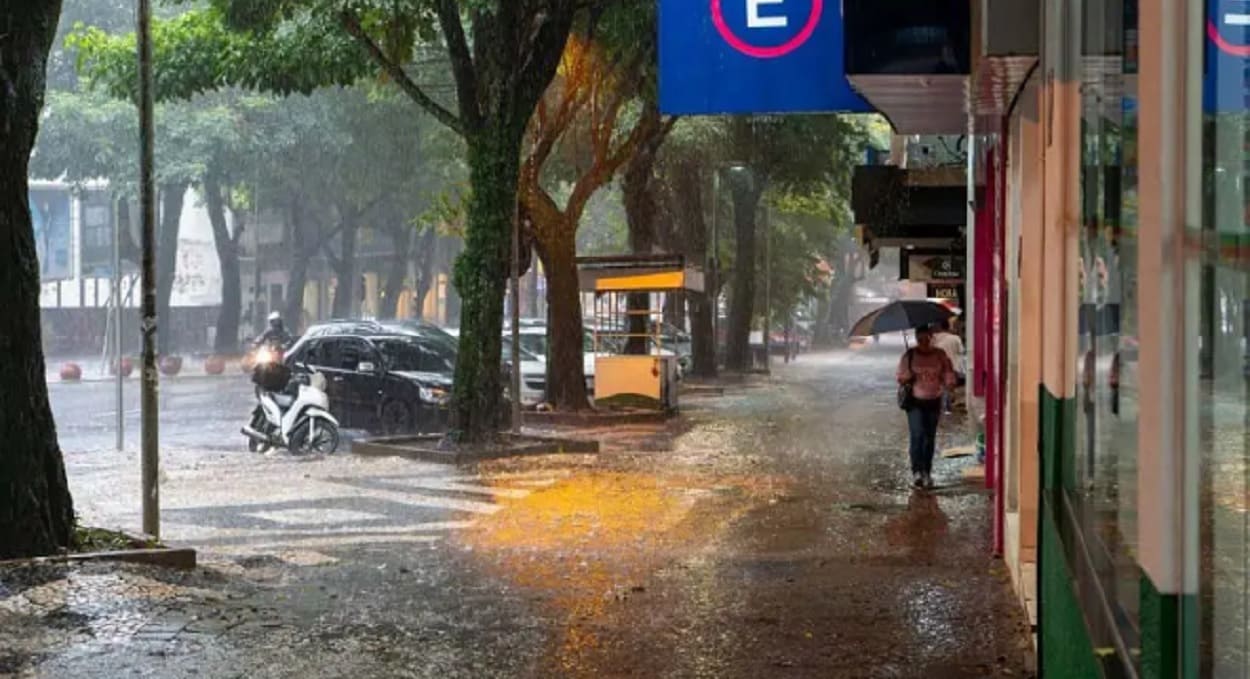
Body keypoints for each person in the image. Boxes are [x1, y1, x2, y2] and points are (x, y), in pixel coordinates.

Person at [897, 326, 957, 489]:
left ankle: (926, 471)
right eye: (920, 339)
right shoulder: (909, 355)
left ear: (932, 338)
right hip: (915, 402)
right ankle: (916, 471)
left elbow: (948, 372)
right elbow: (900, 376)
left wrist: (950, 383)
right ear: (916, 339)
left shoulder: (940, 354)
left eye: (926, 339)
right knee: (917, 435)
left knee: (929, 437)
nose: (923, 342)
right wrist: (906, 376)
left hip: (934, 400)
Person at [932, 317, 966, 414]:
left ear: (939, 327)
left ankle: (944, 406)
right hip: (953, 367)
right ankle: (946, 407)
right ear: (949, 327)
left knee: (943, 387)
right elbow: (961, 351)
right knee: (948, 387)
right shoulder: (955, 338)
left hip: (938, 367)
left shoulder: (933, 338)